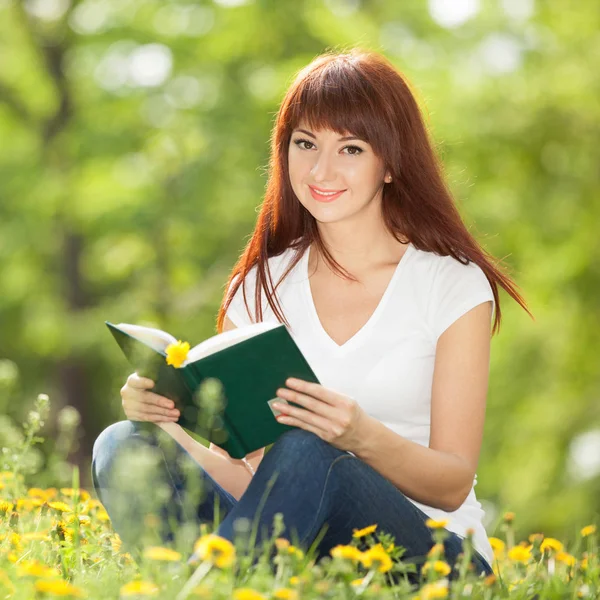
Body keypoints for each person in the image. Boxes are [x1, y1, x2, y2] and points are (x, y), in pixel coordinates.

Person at [92, 47, 532, 582]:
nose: (321, 169)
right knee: (122, 443)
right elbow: (248, 480)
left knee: (307, 447)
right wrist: (169, 425)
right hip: (299, 561)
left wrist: (358, 435)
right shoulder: (256, 289)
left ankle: (202, 591)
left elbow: (451, 481)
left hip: (430, 563)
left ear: (390, 163)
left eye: (350, 148)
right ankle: (206, 585)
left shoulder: (450, 284)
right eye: (305, 144)